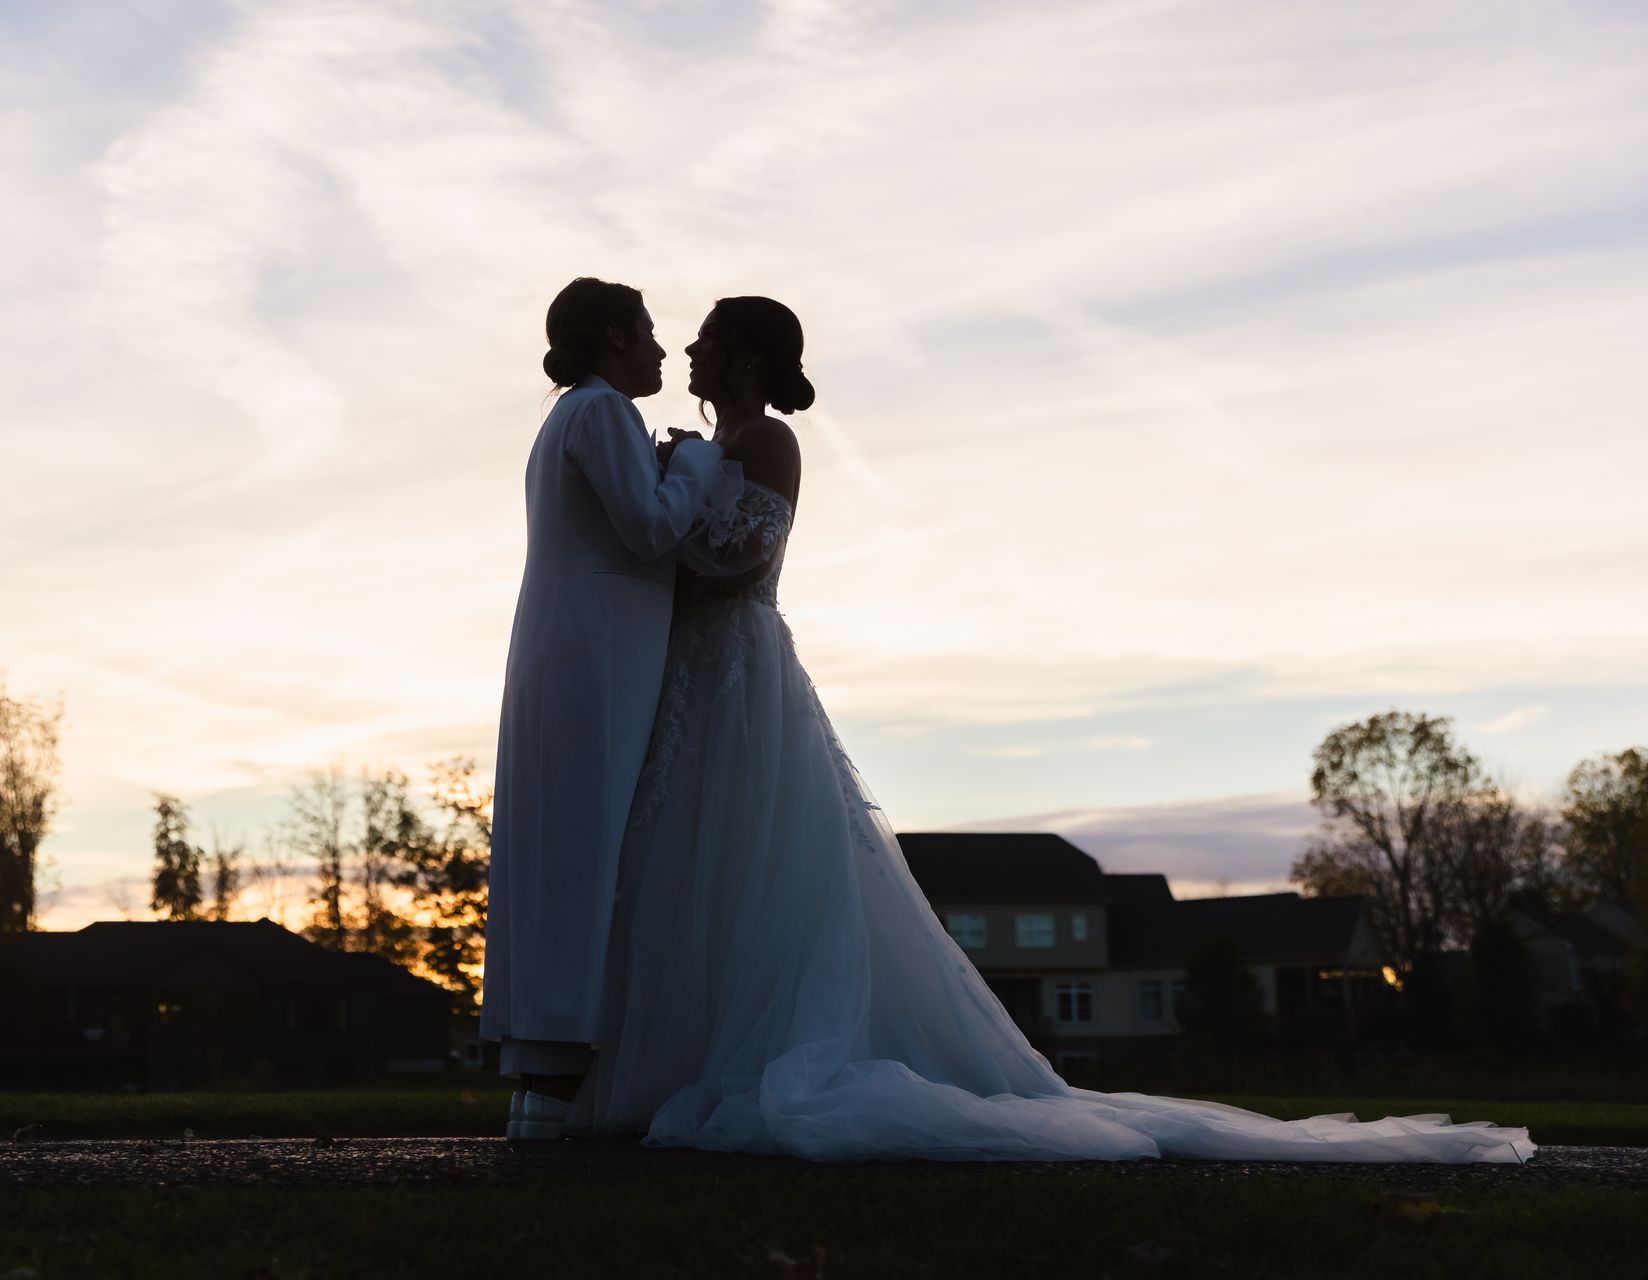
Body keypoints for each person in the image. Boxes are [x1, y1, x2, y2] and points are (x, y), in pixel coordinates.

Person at [585, 295, 1535, 1164]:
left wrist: (666, 515)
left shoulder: (770, 445)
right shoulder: (708, 452)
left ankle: (756, 1056)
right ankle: (664, 1061)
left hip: (745, 678)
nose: (693, 350)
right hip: (691, 685)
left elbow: (739, 566)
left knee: (749, 862)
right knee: (683, 863)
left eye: (708, 337)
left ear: (746, 355)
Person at [482, 277, 754, 1140]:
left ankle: (541, 1081)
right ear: (611, 338)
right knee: (581, 850)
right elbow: (644, 529)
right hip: (594, 660)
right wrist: (697, 466)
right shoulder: (598, 413)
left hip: (576, 649)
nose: (665, 351)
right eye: (648, 331)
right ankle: (553, 1077)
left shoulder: (574, 417)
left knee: (561, 846)